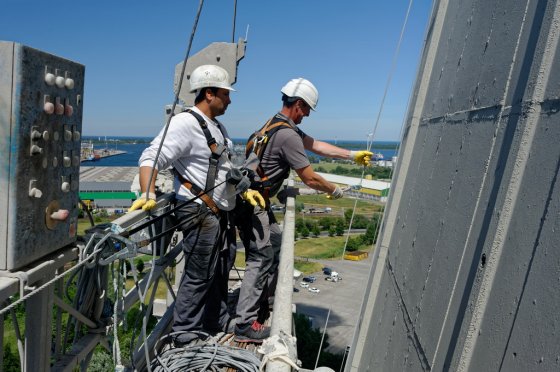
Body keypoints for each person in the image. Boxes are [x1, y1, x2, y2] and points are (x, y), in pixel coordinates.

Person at [233, 78, 373, 343]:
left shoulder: (275, 123)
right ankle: (244, 324)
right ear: (298, 104)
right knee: (260, 257)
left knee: (274, 241)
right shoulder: (287, 134)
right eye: (307, 109)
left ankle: (265, 300)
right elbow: (310, 178)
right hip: (254, 203)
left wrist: (351, 155)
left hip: (251, 200)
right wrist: (334, 190)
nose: (307, 115)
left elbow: (316, 145)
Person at [129, 64, 260, 346]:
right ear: (209, 93)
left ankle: (216, 318)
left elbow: (223, 168)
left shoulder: (217, 127)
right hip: (198, 210)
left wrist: (242, 190)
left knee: (222, 266)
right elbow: (151, 157)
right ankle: (184, 332)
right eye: (226, 94)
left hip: (219, 211)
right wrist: (148, 192)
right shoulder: (185, 123)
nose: (230, 100)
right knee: (199, 273)